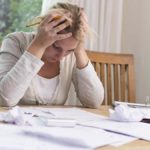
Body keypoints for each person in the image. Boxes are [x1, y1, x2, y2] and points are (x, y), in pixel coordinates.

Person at [0, 2, 104, 108]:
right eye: (56, 47)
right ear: (43, 30)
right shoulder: (15, 42)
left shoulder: (73, 54)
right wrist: (38, 45)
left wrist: (79, 51)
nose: (61, 57)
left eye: (70, 50)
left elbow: (94, 102)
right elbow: (4, 99)